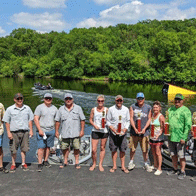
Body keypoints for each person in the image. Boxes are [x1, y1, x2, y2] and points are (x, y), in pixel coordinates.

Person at [2, 93, 34, 172]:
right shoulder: (10, 109)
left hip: (25, 132)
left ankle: (23, 163)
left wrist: (31, 130)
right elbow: (7, 122)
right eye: (18, 99)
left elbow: (30, 120)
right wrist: (8, 133)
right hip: (14, 132)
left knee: (24, 148)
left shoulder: (27, 108)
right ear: (14, 99)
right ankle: (13, 164)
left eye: (21, 98)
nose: (20, 100)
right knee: (13, 149)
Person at [55, 93, 85, 169]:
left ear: (72, 99)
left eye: (70, 99)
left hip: (76, 132)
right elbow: (57, 121)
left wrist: (82, 131)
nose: (68, 100)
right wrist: (56, 131)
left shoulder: (78, 108)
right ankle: (65, 161)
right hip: (65, 132)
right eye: (66, 99)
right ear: (64, 100)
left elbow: (82, 120)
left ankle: (77, 161)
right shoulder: (61, 109)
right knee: (64, 147)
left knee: (76, 147)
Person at [167, 93, 192, 180]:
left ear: (182, 101)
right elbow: (166, 121)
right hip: (170, 136)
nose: (177, 101)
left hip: (180, 137)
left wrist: (184, 137)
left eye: (179, 100)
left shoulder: (186, 111)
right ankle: (174, 169)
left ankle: (182, 171)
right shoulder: (170, 109)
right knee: (173, 154)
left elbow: (188, 125)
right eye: (176, 100)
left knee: (181, 156)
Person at [128, 92, 152, 172]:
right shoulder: (132, 106)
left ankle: (146, 163)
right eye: (138, 98)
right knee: (132, 148)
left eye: (141, 98)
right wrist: (134, 128)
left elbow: (149, 119)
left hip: (144, 132)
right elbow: (131, 118)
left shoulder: (148, 107)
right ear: (136, 99)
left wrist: (145, 128)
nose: (140, 100)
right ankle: (131, 162)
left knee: (145, 149)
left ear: (144, 99)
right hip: (134, 132)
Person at [34, 93, 58, 172]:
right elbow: (36, 119)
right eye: (46, 98)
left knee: (48, 147)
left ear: (51, 99)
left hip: (51, 130)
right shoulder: (39, 107)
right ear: (44, 99)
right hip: (42, 131)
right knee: (41, 148)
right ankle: (40, 163)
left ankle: (46, 161)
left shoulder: (54, 108)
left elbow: (57, 120)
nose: (48, 100)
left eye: (49, 98)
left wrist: (57, 131)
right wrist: (39, 129)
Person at [107, 95, 130, 174]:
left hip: (123, 133)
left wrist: (125, 128)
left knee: (122, 150)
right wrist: (112, 128)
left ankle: (123, 166)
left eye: (120, 101)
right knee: (113, 149)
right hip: (113, 133)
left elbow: (128, 121)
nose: (119, 102)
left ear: (122, 101)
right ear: (115, 101)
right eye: (117, 100)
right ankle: (114, 166)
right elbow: (108, 121)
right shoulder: (111, 109)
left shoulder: (126, 109)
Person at [89, 95, 108, 172]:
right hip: (95, 130)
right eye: (99, 101)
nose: (100, 102)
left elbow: (110, 119)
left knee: (102, 148)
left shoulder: (107, 110)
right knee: (93, 149)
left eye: (102, 101)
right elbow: (90, 119)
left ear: (104, 102)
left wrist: (106, 121)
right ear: (97, 101)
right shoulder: (93, 109)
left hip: (104, 131)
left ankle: (100, 164)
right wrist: (94, 125)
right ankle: (94, 163)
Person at [149, 101, 165, 175]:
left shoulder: (161, 117)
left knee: (158, 152)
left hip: (158, 138)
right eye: (154, 107)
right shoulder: (152, 115)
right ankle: (155, 165)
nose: (155, 109)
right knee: (153, 152)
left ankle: (159, 168)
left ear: (159, 108)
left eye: (157, 107)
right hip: (152, 137)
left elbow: (163, 128)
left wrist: (158, 135)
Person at [0, 103, 9, 173]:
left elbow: (4, 118)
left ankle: (1, 166)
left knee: (0, 149)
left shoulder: (1, 105)